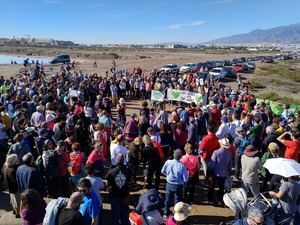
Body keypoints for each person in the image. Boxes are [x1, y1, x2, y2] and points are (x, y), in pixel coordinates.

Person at [105, 154, 132, 225]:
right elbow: (130, 180)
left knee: (114, 212)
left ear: (116, 162)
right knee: (124, 212)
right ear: (123, 161)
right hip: (124, 194)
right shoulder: (128, 170)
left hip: (114, 194)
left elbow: (107, 182)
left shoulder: (111, 171)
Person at [161, 149, 188, 218]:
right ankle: (177, 215)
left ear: (173, 155)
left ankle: (165, 213)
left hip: (169, 184)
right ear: (181, 157)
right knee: (177, 201)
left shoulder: (168, 162)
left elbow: (163, 171)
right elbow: (185, 179)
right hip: (178, 185)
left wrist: (168, 175)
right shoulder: (182, 166)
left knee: (167, 199)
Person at [208, 137, 232, 205]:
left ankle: (211, 200)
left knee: (212, 187)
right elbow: (230, 166)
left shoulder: (216, 152)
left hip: (215, 173)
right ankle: (220, 200)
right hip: (224, 174)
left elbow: (212, 165)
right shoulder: (229, 154)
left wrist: (209, 172)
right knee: (221, 188)